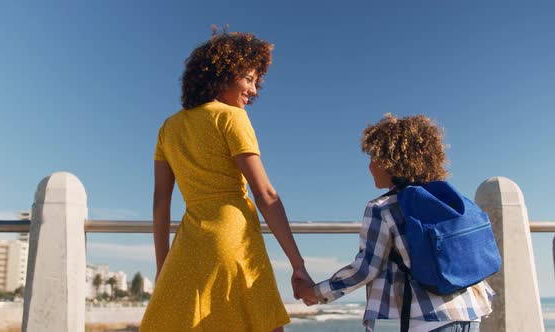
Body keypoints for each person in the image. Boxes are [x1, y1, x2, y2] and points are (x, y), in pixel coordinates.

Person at [140, 30, 312, 332]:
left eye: (257, 82)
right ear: (222, 74)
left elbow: (160, 203)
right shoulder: (232, 117)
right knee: (261, 324)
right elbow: (266, 195)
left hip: (188, 247)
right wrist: (297, 263)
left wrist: (162, 266)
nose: (254, 90)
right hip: (234, 242)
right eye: (248, 79)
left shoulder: (168, 128)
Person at [294, 114, 495, 332]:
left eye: (374, 158)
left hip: (427, 319)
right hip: (471, 313)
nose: (370, 167)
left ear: (391, 161)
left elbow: (364, 269)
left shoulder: (382, 207)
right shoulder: (448, 201)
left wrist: (314, 293)